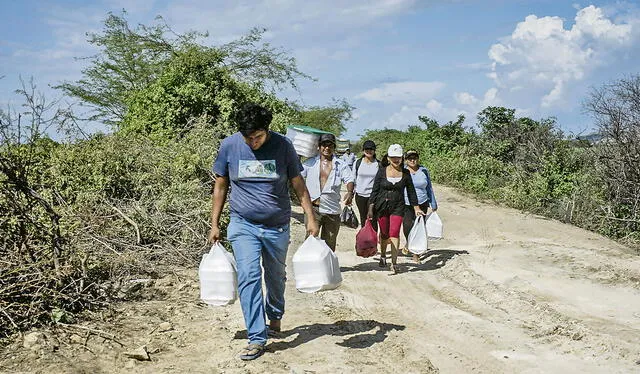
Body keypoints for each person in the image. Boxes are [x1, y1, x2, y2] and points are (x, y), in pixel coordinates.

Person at [208, 103, 319, 361]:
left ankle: (276, 313)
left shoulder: (283, 146)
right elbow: (221, 186)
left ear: (266, 130)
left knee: (276, 275)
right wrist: (214, 223)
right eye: (248, 138)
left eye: (257, 137)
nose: (253, 142)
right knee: (248, 275)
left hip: (277, 225)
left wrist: (310, 218)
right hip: (242, 223)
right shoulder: (229, 146)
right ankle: (257, 337)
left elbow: (298, 185)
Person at [368, 144, 424, 274]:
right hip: (382, 206)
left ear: (402, 158)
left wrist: (416, 208)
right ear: (388, 158)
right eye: (393, 157)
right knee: (384, 234)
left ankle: (394, 263)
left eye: (398, 157)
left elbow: (411, 191)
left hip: (398, 207)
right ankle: (383, 256)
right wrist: (371, 207)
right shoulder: (382, 171)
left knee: (394, 233)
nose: (396, 160)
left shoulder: (405, 173)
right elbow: (375, 190)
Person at [301, 133, 354, 251]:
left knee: (329, 244)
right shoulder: (310, 163)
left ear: (334, 147)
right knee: (311, 239)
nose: (327, 148)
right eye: (324, 145)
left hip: (332, 209)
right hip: (313, 208)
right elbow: (297, 177)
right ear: (319, 147)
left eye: (330, 145)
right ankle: (308, 267)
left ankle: (326, 268)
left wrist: (350, 192)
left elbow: (349, 179)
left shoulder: (341, 165)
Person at [402, 149, 438, 263]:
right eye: (410, 158)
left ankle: (415, 253)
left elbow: (429, 187)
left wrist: (433, 202)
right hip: (406, 203)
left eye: (415, 158)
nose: (413, 160)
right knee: (407, 226)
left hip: (422, 202)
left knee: (419, 227)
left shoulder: (424, 170)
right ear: (406, 160)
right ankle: (409, 242)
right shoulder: (403, 171)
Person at [352, 139, 380, 231]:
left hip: (373, 197)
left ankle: (373, 242)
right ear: (363, 150)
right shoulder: (358, 163)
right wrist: (351, 193)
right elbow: (353, 178)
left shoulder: (378, 164)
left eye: (371, 149)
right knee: (363, 219)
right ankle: (364, 242)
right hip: (360, 196)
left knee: (373, 220)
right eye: (367, 149)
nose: (369, 151)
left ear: (374, 150)